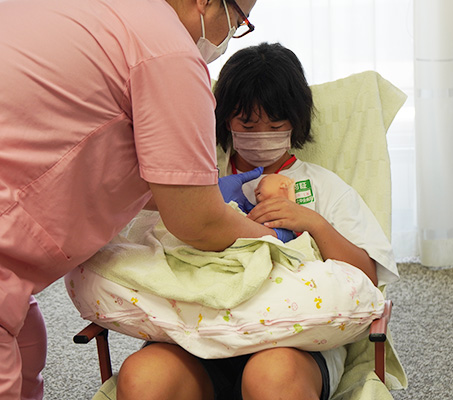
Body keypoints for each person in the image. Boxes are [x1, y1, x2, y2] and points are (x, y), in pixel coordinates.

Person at [0, 0, 283, 398]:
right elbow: (197, 221)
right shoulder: (168, 53)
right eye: (239, 20)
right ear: (206, 2)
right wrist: (279, 240)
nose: (231, 34)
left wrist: (207, 194)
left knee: (28, 342)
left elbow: (99, 150)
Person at [116, 42, 399, 399]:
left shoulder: (323, 187)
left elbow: (367, 278)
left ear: (295, 122)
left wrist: (313, 224)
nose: (262, 134)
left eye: (276, 124)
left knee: (272, 377)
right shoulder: (198, 183)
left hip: (293, 341)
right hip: (198, 334)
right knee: (143, 378)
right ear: (225, 120)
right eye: (248, 124)